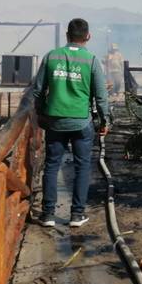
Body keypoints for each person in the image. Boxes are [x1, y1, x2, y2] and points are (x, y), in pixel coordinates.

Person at [32, 18, 109, 227]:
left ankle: (48, 214)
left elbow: (37, 90)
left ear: (67, 35)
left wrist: (40, 113)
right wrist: (105, 120)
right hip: (81, 123)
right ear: (88, 36)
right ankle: (77, 214)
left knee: (51, 165)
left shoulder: (51, 56)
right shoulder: (91, 60)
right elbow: (101, 96)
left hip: (54, 122)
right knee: (82, 167)